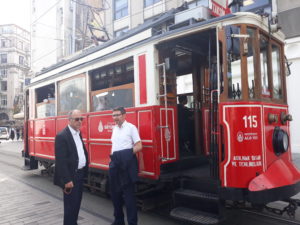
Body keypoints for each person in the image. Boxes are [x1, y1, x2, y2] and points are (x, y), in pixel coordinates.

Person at [53, 109, 88, 225]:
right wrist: (67, 180)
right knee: (70, 208)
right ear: (69, 120)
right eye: (77, 119)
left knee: (76, 205)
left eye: (81, 119)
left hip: (79, 174)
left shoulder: (78, 133)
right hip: (71, 178)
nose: (79, 121)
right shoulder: (62, 136)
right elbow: (61, 161)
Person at [109, 107, 142, 225]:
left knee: (129, 198)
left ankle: (132, 223)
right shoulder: (114, 129)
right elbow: (114, 146)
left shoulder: (131, 128)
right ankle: (119, 221)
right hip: (114, 164)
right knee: (115, 195)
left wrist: (124, 155)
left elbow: (139, 146)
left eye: (117, 115)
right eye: (113, 115)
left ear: (124, 115)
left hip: (126, 165)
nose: (115, 118)